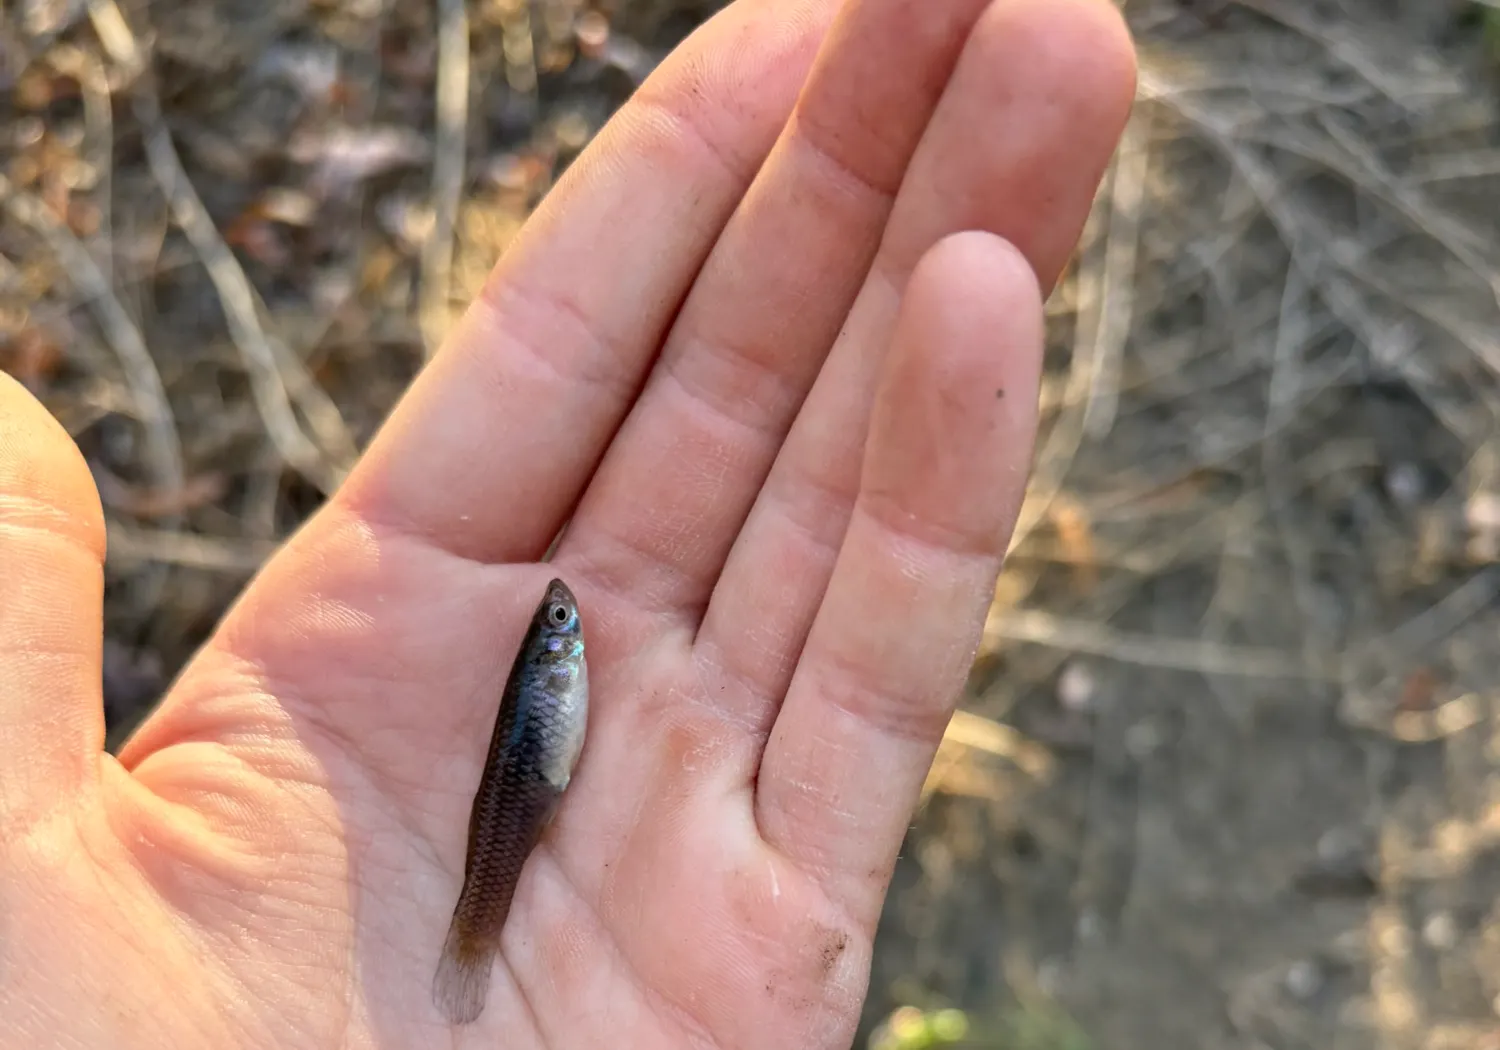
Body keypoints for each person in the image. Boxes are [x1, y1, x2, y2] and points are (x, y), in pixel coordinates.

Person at [0, 0, 1135, 1045]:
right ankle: (469, 941)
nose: (564, 629)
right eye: (558, 626)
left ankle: (471, 936)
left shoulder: (561, 664)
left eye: (557, 625)